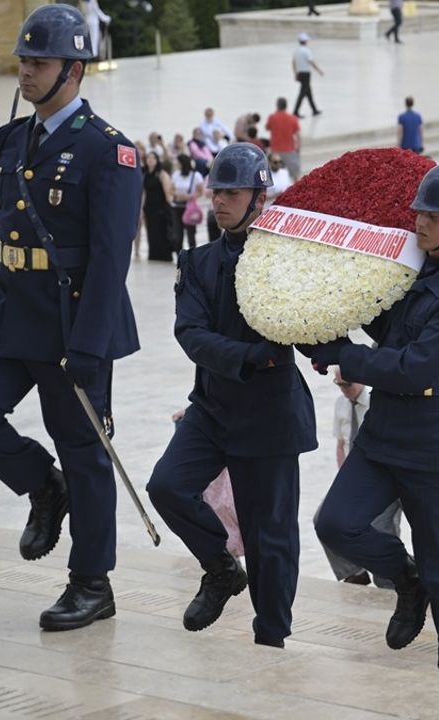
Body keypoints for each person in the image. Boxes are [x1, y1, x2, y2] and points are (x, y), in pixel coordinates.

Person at [0, 3, 141, 631]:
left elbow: (111, 262)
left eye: (39, 62)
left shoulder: (109, 152)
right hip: (7, 310)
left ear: (73, 70)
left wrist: (91, 343)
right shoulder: (14, 140)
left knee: (84, 448)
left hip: (69, 319)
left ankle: (92, 582)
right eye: (23, 61)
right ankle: (41, 486)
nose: (25, 72)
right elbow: (0, 237)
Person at [311, 163, 439, 681]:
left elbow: (417, 369)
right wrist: (322, 312)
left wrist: (347, 356)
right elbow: (382, 319)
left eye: (433, 217)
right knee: (335, 523)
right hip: (386, 434)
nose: (421, 224)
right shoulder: (411, 268)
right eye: (419, 214)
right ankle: (405, 580)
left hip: (436, 444)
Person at [145, 144, 314, 648]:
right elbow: (190, 334)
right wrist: (252, 356)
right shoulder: (196, 263)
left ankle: (272, 637)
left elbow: (310, 321)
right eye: (216, 190)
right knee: (167, 487)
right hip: (214, 407)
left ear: (259, 198)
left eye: (231, 192)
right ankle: (220, 568)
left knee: (271, 540)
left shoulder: (287, 263)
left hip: (270, 416)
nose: (219, 200)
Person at [314, 369, 402, 588]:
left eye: (347, 384)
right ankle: (353, 572)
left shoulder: (377, 402)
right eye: (339, 384)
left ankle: (393, 581)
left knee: (380, 527)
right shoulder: (341, 405)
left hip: (385, 473)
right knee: (322, 519)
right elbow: (341, 445)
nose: (344, 390)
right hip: (357, 474)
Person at [141, 150, 174, 261]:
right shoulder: (144, 174)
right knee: (151, 233)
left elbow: (167, 192)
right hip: (149, 208)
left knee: (162, 232)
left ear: (157, 160)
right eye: (148, 158)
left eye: (152, 158)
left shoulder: (162, 174)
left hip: (161, 208)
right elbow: (144, 193)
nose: (150, 160)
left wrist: (170, 208)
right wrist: (142, 208)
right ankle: (153, 255)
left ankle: (164, 256)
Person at [265, 97, 301, 181]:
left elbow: (267, 127)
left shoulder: (272, 117)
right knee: (295, 176)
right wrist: (298, 147)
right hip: (289, 150)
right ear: (286, 106)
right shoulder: (292, 118)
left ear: (277, 106)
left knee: (271, 174)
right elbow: (298, 134)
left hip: (275, 150)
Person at [291, 33, 323, 118]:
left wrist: (295, 73)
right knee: (302, 93)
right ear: (305, 41)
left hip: (300, 73)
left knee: (308, 92)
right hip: (306, 74)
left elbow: (293, 63)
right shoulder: (306, 50)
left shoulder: (297, 51)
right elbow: (311, 62)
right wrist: (319, 70)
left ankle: (314, 110)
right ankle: (295, 111)